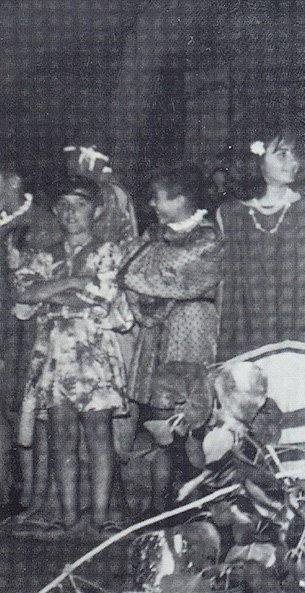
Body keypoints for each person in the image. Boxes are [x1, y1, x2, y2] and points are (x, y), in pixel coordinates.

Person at [217, 131, 305, 444]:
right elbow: (228, 287)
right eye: (282, 154)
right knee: (263, 444)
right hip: (254, 343)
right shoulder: (231, 215)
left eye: (294, 154)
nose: (293, 162)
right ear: (256, 161)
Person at [13, 176, 133, 535]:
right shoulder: (44, 254)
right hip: (54, 354)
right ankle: (67, 517)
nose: (71, 213)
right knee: (61, 433)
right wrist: (73, 282)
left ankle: (100, 516)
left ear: (96, 211)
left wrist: (49, 293)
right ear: (55, 210)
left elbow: (101, 297)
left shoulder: (108, 251)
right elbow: (24, 294)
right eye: (64, 205)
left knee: (98, 433)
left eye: (80, 205)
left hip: (92, 353)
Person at [121, 165, 222, 514]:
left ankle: (194, 503)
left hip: (192, 330)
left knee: (190, 421)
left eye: (157, 198)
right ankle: (160, 506)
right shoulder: (153, 234)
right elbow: (132, 270)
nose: (151, 204)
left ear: (180, 199)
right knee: (160, 421)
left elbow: (170, 273)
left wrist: (148, 269)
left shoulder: (208, 236)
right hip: (158, 334)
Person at [0, 167, 60, 514]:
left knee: (22, 409)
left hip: (24, 331)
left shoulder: (41, 224)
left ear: (14, 183)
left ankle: (26, 495)